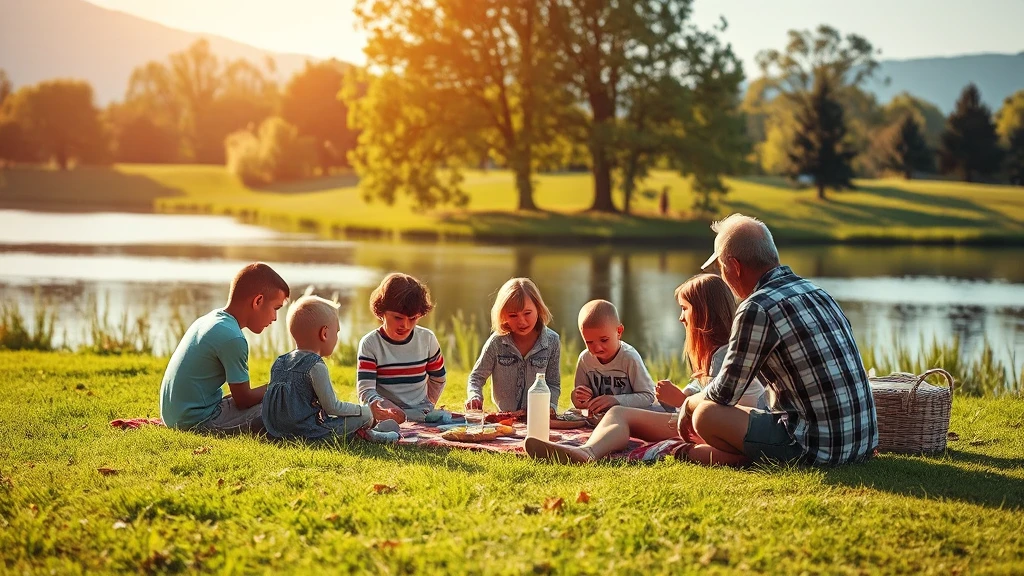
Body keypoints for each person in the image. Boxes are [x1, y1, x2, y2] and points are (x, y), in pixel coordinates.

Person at [524, 274, 763, 462]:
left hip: (727, 430)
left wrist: (681, 400)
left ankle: (587, 453)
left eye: (685, 308)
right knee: (644, 411)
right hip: (723, 427)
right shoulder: (721, 352)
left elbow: (719, 405)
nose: (681, 317)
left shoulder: (724, 355)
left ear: (703, 313)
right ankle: (589, 450)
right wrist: (684, 394)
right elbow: (704, 388)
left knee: (619, 413)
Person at [159, 262, 289, 434]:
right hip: (196, 422)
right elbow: (243, 399)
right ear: (258, 301)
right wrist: (281, 385)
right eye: (275, 308)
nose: (275, 318)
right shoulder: (233, 338)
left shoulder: (211, 319)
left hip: (175, 416)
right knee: (278, 410)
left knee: (273, 400)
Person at [261, 295, 402, 442]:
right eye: (337, 332)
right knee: (365, 416)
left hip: (277, 432)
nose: (337, 337)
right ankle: (372, 435)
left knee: (346, 417)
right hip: (309, 433)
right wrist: (365, 410)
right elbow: (332, 407)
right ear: (325, 333)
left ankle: (367, 434)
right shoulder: (315, 365)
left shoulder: (279, 362)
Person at [356, 273, 447, 423]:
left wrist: (429, 404)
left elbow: (438, 378)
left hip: (420, 410)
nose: (405, 325)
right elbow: (366, 391)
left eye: (412, 319)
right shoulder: (370, 343)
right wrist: (385, 408)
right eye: (398, 318)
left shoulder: (427, 339)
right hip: (386, 411)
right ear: (382, 312)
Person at [465, 277, 561, 413]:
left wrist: (550, 407)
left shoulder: (552, 341)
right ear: (503, 315)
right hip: (504, 418)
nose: (521, 321)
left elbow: (553, 383)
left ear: (538, 309)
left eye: (527, 313)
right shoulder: (497, 342)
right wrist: (474, 396)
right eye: (513, 316)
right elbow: (476, 378)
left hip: (538, 416)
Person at [570, 299, 655, 413]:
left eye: (604, 340)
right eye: (589, 342)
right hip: (597, 419)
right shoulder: (585, 359)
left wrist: (616, 400)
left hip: (628, 418)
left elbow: (648, 396)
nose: (597, 348)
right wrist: (577, 397)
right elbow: (580, 403)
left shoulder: (629, 358)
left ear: (619, 331)